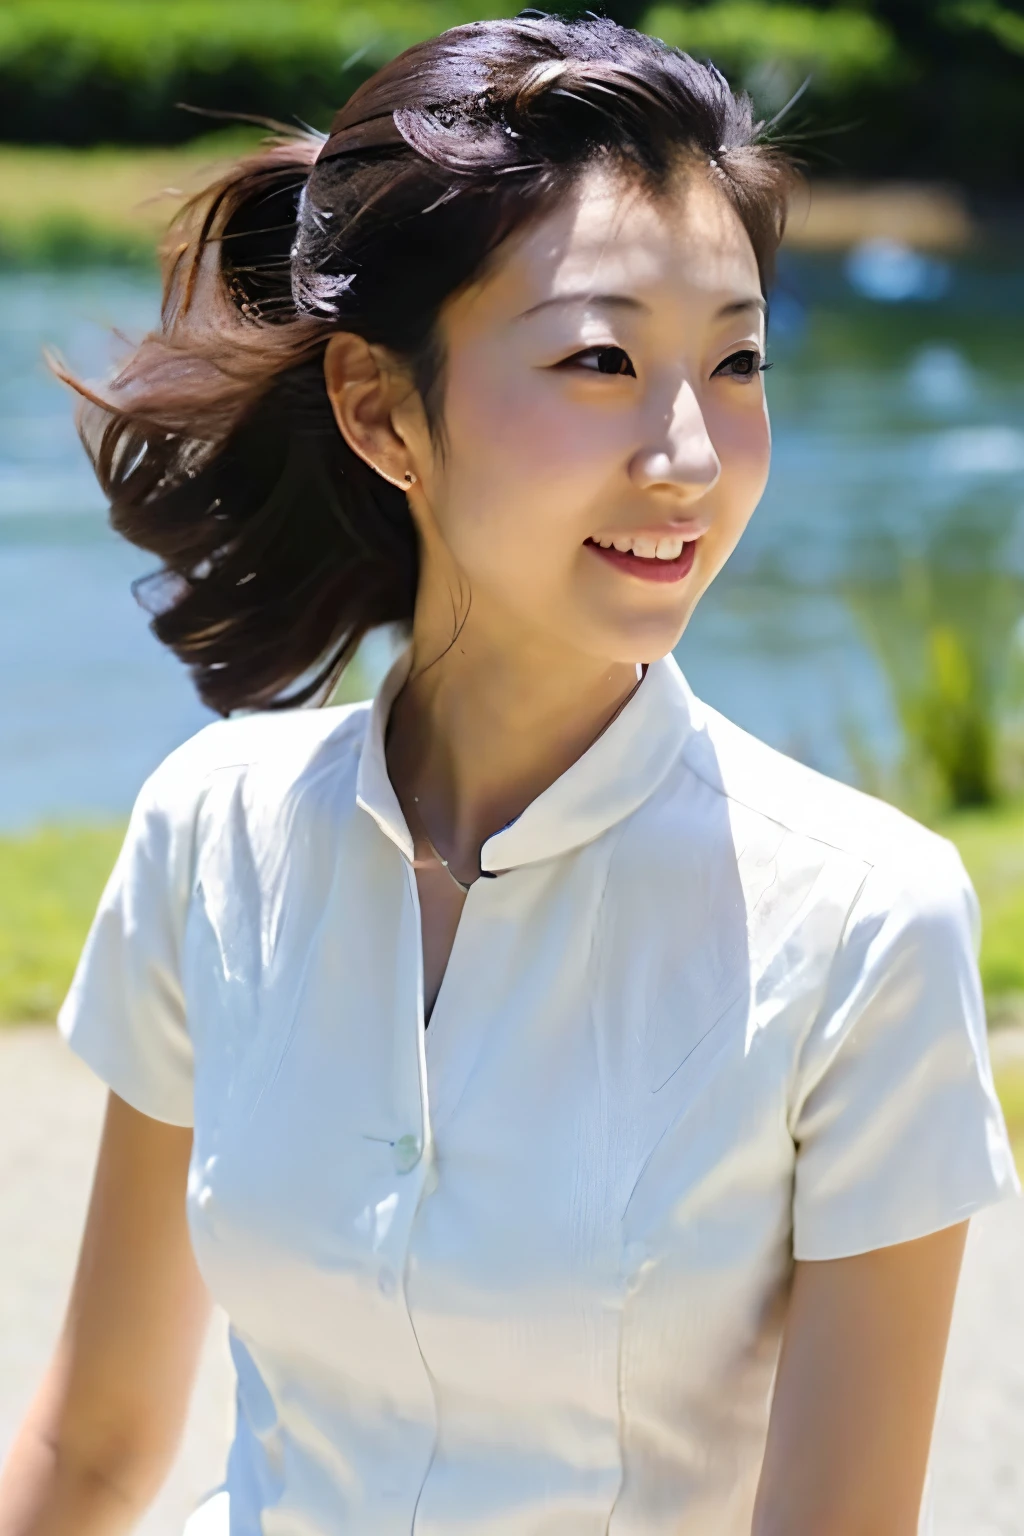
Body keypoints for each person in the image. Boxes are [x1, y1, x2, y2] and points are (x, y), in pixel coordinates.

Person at [0, 12, 1017, 1536]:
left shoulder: (867, 925)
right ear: (380, 409)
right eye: (601, 359)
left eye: (737, 360)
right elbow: (90, 1452)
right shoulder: (211, 832)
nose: (689, 453)